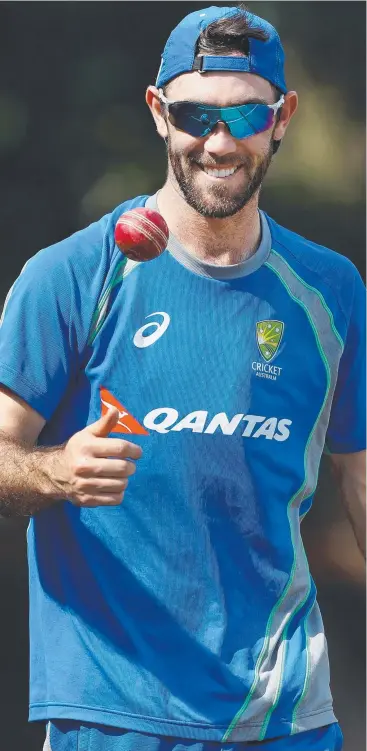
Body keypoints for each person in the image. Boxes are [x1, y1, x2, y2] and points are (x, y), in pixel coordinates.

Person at [0, 5, 365, 751]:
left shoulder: (330, 292)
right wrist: (59, 471)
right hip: (112, 715)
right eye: (197, 114)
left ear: (282, 116)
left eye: (246, 116)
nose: (220, 141)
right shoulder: (70, 277)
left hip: (283, 715)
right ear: (159, 112)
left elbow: (359, 478)